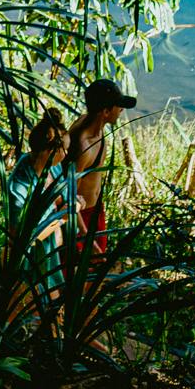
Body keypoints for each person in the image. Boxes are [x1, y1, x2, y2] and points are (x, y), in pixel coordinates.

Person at [7, 107, 72, 303]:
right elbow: (22, 235)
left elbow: (63, 197)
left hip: (50, 253)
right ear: (49, 150)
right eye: (64, 149)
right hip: (30, 259)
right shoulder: (20, 184)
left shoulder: (54, 167)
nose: (67, 154)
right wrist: (61, 219)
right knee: (31, 302)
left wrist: (73, 202)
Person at [65, 78, 136, 257]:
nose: (121, 110)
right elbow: (69, 193)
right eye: (118, 106)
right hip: (83, 218)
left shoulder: (96, 126)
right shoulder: (83, 145)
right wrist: (84, 235)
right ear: (105, 111)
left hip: (95, 211)